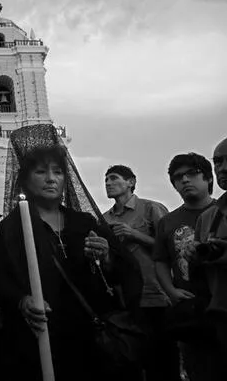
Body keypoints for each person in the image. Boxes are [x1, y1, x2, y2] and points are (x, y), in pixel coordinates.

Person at [0, 124, 142, 381]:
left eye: (58, 172)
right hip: (39, 335)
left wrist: (106, 257)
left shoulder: (84, 222)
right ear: (25, 179)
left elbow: (122, 272)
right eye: (41, 172)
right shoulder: (11, 228)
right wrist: (22, 300)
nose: (51, 178)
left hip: (88, 335)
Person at [103, 165, 179, 381]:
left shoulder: (151, 209)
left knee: (164, 359)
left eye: (114, 178)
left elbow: (172, 248)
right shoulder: (105, 219)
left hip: (157, 294)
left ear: (131, 182)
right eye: (105, 180)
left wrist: (134, 234)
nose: (108, 183)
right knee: (134, 358)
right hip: (126, 298)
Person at [152, 152, 219, 381]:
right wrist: (170, 291)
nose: (185, 180)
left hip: (222, 304)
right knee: (199, 369)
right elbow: (160, 261)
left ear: (209, 178)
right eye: (178, 177)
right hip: (190, 309)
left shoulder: (223, 212)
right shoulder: (167, 222)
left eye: (192, 174)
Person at [192, 138, 227, 378]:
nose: (223, 168)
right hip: (221, 315)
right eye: (218, 161)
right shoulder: (208, 218)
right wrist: (194, 255)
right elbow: (198, 272)